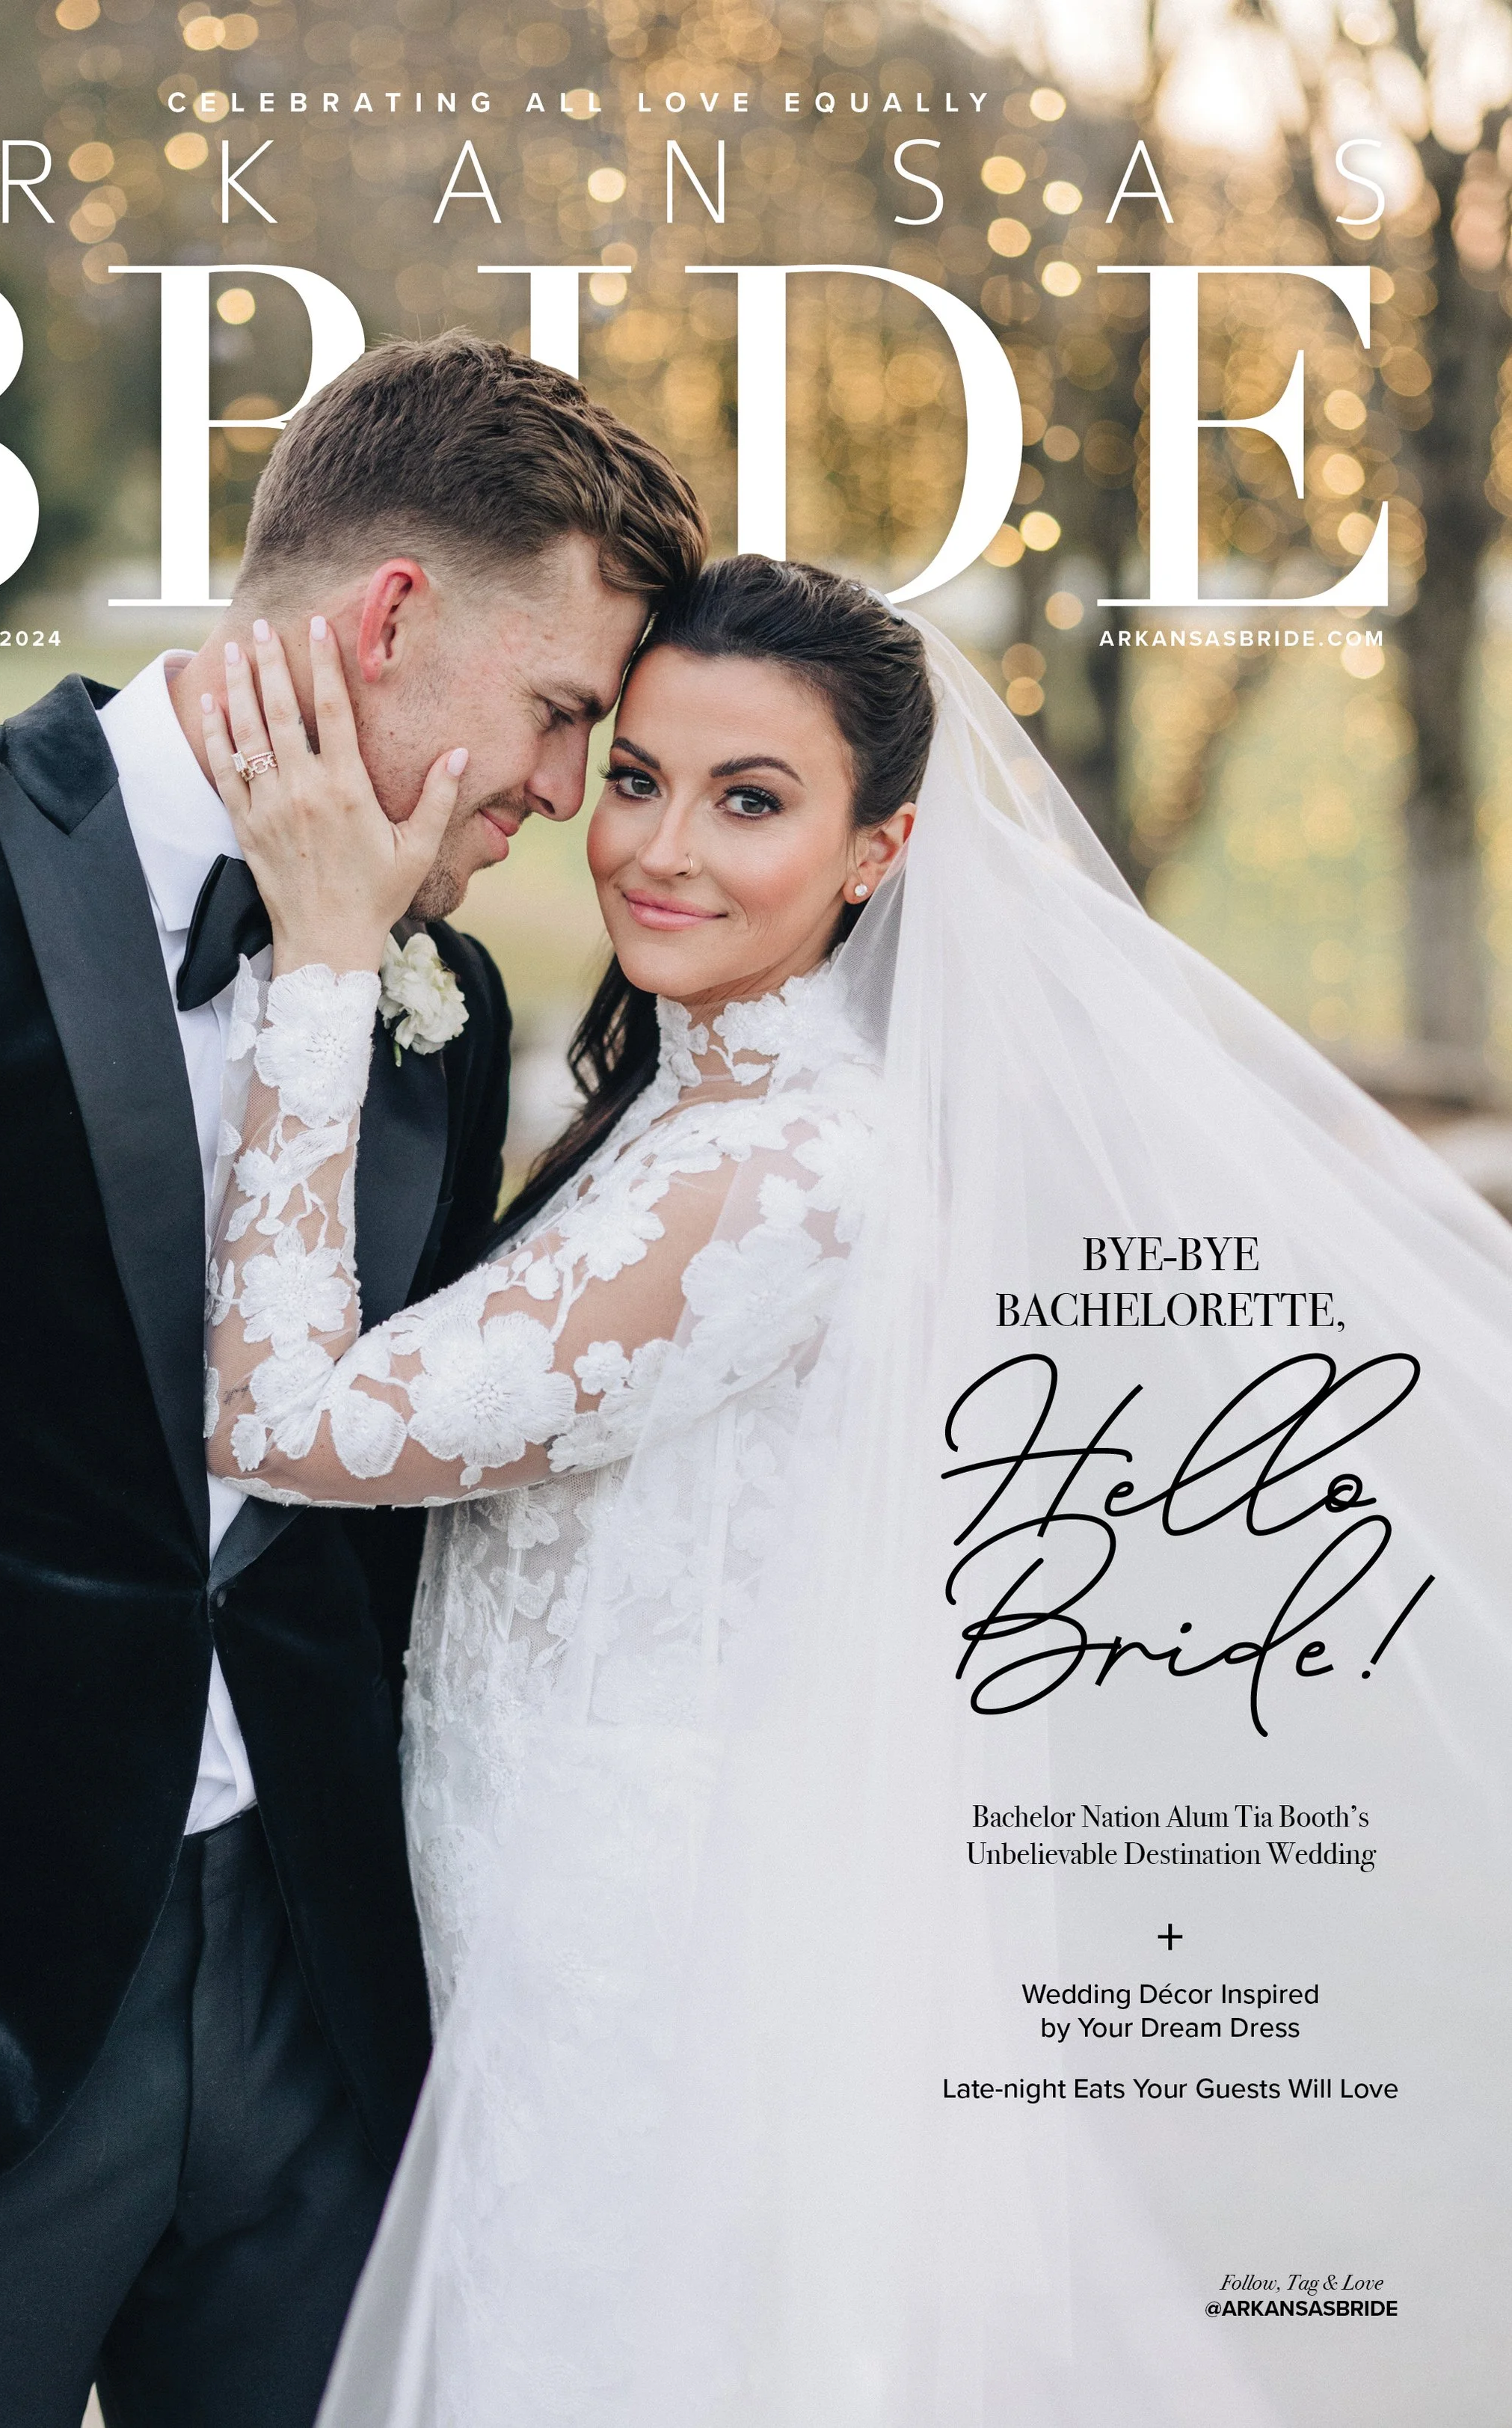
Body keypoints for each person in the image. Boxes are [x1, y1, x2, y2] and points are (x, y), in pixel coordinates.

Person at [201, 557, 1512, 2428]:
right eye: (634, 777)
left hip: (645, 1955)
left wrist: (330, 959)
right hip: (537, 1903)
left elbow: (284, 1424)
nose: (659, 848)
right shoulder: (689, 1103)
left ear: (875, 850)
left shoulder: (791, 1174)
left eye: (749, 801)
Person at [0, 331, 707, 2428]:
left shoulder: (440, 997)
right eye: (562, 712)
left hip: (317, 2021)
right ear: (388, 619)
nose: (563, 792)